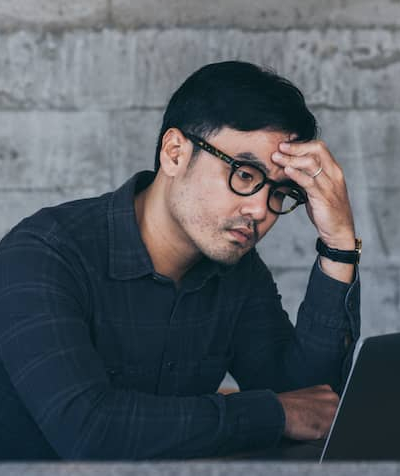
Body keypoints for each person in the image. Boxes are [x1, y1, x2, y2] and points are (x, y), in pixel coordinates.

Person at [0, 61, 360, 460]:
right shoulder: (43, 254)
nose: (261, 210)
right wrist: (272, 412)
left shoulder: (235, 270)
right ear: (174, 153)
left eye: (279, 193)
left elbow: (312, 406)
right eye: (244, 175)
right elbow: (90, 433)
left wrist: (338, 243)